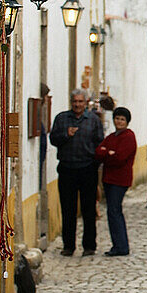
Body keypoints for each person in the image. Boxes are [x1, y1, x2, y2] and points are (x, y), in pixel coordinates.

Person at [49, 89, 104, 256]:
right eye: (75, 101)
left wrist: (95, 163)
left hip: (88, 168)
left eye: (80, 101)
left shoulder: (93, 120)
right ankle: (68, 246)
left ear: (86, 102)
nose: (77, 104)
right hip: (67, 168)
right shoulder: (61, 118)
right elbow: (53, 139)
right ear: (71, 102)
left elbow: (99, 142)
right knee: (68, 209)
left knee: (88, 209)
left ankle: (89, 246)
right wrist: (66, 134)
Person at [96, 106, 137, 257]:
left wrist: (107, 154)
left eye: (122, 119)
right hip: (108, 178)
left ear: (127, 121)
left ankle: (121, 246)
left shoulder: (128, 137)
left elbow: (119, 158)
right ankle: (118, 244)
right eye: (117, 118)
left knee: (114, 211)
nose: (119, 121)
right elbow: (98, 152)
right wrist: (108, 153)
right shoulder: (112, 136)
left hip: (120, 180)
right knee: (112, 211)